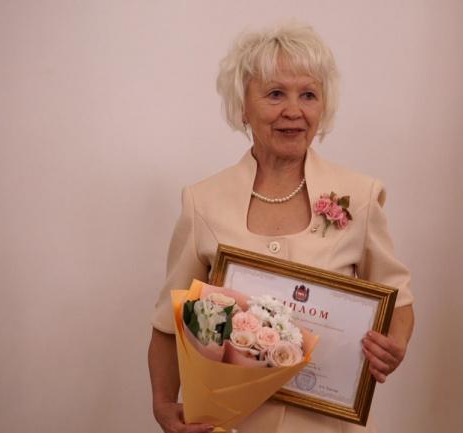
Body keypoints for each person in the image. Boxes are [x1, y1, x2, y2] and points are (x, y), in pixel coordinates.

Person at [148, 22, 414, 433]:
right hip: (232, 425)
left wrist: (393, 346)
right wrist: (164, 403)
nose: (294, 110)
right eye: (275, 94)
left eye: (308, 95)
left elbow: (399, 300)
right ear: (243, 106)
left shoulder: (359, 197)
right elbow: (170, 322)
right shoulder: (202, 202)